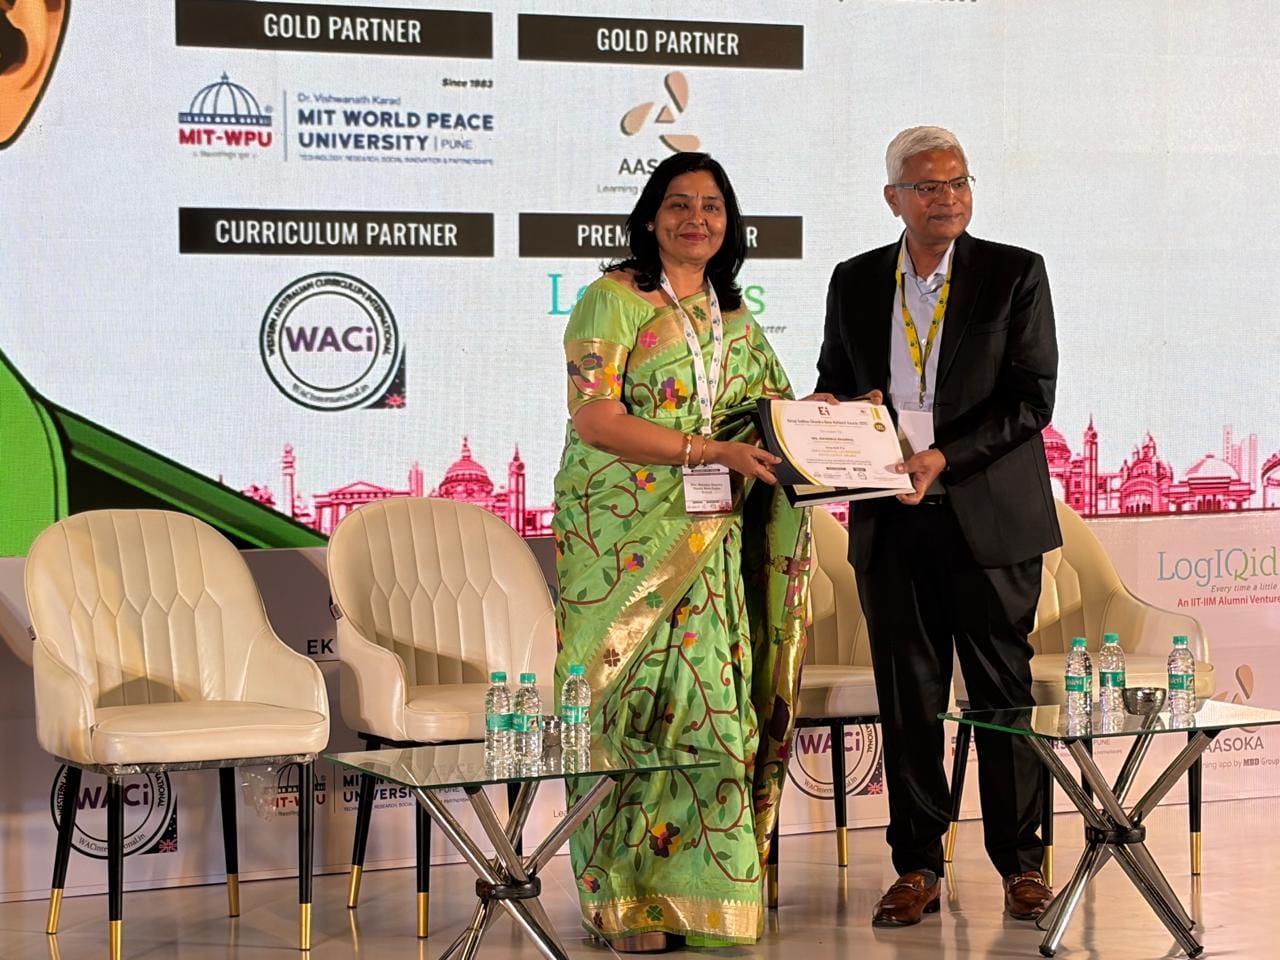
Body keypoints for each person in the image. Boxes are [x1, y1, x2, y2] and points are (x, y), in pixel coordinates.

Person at [552, 152, 812, 951]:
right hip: (623, 540)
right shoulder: (610, 300)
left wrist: (844, 421)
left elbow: (773, 413)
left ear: (729, 225)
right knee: (627, 714)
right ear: (650, 217)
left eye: (711, 206)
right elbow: (596, 420)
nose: (696, 218)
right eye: (678, 204)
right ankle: (625, 900)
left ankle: (702, 901)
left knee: (708, 711)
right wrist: (708, 452)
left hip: (710, 542)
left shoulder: (734, 316)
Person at [812, 126, 1061, 926]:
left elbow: (1031, 400)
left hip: (989, 517)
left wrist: (942, 457)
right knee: (909, 701)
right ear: (894, 198)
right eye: (927, 186)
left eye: (958, 182)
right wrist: (824, 418)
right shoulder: (855, 279)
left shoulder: (1014, 273)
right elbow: (834, 379)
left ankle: (1023, 865)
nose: (947, 198)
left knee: (1001, 699)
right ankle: (917, 866)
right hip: (891, 520)